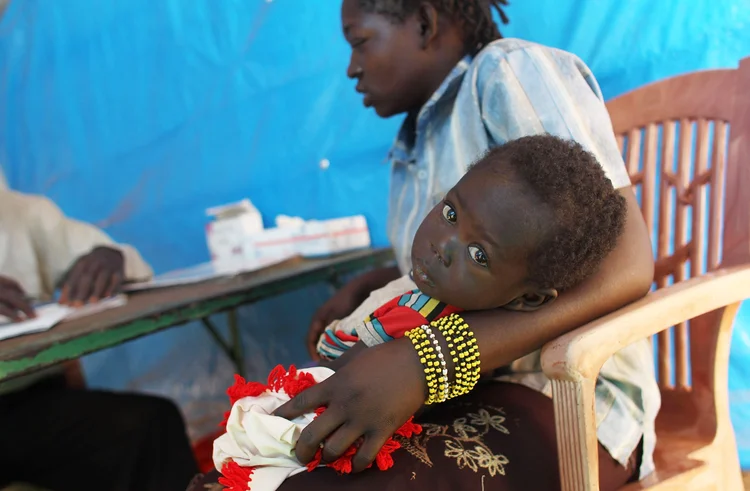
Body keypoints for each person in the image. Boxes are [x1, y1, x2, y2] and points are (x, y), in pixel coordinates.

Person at [273, 1, 657, 490]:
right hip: (469, 390)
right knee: (280, 462)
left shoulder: (507, 71)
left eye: (360, 42)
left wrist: (426, 361)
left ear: (425, 23)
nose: (351, 68)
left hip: (570, 399)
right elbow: (476, 275)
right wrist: (373, 285)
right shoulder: (411, 152)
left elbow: (627, 266)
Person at [209, 135, 630, 491]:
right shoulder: (430, 277)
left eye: (478, 254)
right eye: (450, 213)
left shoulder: (466, 331)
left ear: (529, 300)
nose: (442, 246)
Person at [0, 189, 199, 491]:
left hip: (26, 406)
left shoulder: (21, 211)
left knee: (149, 425)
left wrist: (109, 257)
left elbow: (120, 261)